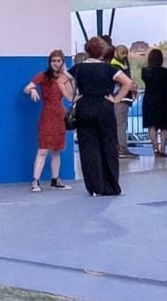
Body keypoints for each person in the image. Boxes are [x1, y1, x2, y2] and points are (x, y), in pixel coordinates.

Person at [70, 37, 134, 196]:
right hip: (104, 107)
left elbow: (61, 79)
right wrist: (116, 99)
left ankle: (94, 187)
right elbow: (127, 83)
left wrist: (72, 97)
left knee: (88, 148)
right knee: (108, 146)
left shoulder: (78, 68)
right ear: (102, 52)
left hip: (84, 107)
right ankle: (111, 186)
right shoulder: (108, 68)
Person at [23, 49, 76, 191]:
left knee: (57, 150)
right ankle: (35, 181)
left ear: (63, 62)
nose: (56, 63)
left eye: (59, 61)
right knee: (43, 149)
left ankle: (55, 180)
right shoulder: (43, 76)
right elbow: (27, 88)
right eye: (53, 61)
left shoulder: (64, 78)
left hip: (60, 114)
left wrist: (68, 75)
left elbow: (71, 96)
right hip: (47, 114)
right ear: (49, 62)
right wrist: (33, 90)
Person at [140, 48, 167, 158]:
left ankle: (155, 149)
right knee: (165, 125)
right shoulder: (164, 71)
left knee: (151, 125)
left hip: (148, 100)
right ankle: (162, 148)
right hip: (162, 100)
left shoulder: (144, 71)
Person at [111, 44, 136, 158]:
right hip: (121, 98)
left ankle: (120, 147)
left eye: (126, 53)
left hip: (124, 97)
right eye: (123, 53)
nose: (125, 55)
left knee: (121, 123)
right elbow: (123, 81)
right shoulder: (116, 65)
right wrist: (133, 87)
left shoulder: (121, 64)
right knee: (121, 124)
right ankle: (122, 148)